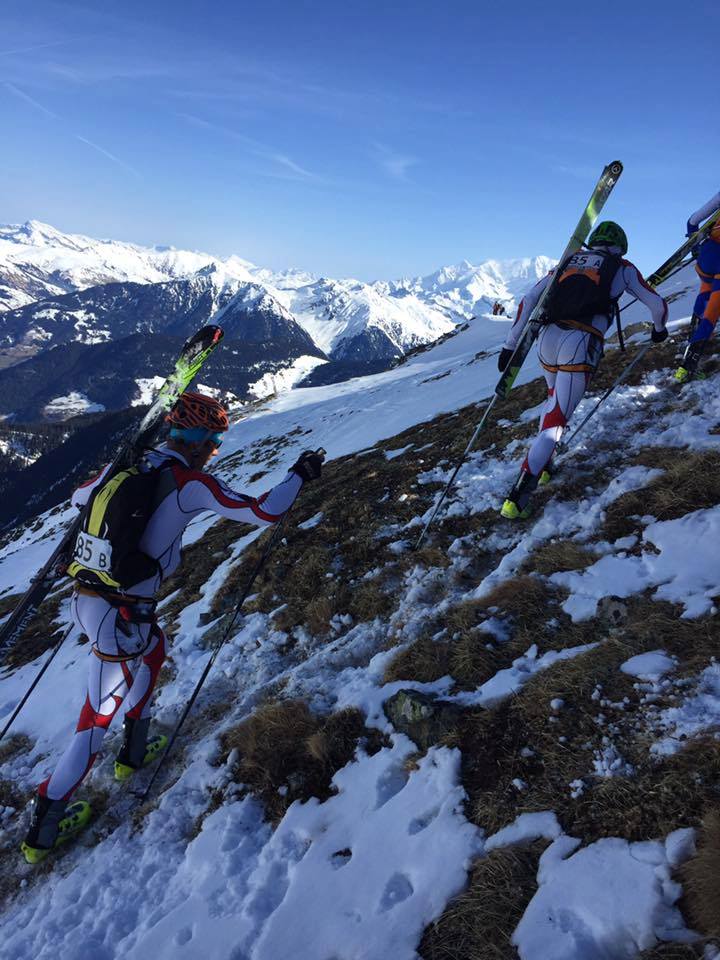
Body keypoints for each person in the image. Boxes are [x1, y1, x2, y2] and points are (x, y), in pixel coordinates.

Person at [22, 392, 323, 862]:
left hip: (88, 599)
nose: (217, 449)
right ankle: (44, 822)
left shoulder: (124, 468)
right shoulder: (189, 483)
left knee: (155, 650)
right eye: (215, 441)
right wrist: (299, 474)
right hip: (122, 616)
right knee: (94, 722)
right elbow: (265, 512)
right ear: (201, 441)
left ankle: (134, 751)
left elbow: (80, 497)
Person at [497, 221, 668, 519]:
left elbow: (529, 300)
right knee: (558, 419)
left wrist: (510, 346)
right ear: (620, 245)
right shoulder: (622, 267)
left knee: (553, 401)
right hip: (581, 341)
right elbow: (657, 304)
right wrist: (658, 330)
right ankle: (519, 495)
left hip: (547, 340)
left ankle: (545, 463)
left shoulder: (568, 261)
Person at [675, 190, 720, 382]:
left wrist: (696, 250)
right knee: (711, 312)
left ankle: (685, 361)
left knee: (703, 302)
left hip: (706, 257)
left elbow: (692, 222)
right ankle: (687, 367)